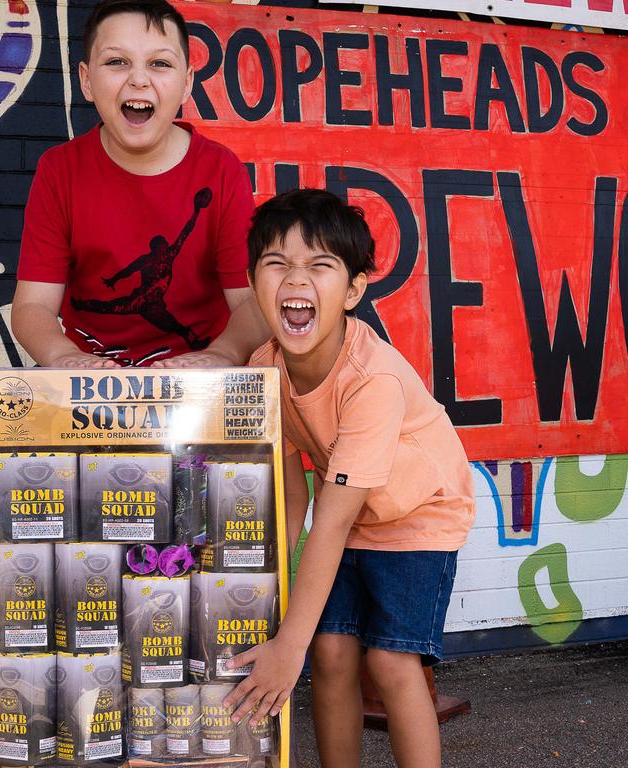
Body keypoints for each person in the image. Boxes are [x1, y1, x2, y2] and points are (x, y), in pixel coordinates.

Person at [225, 189, 475, 768]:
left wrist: (286, 646)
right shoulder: (263, 368)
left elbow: (328, 522)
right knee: (330, 652)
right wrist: (262, 594)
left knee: (389, 662)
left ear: (354, 290)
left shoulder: (372, 380)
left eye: (320, 265)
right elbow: (291, 498)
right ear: (253, 282)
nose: (296, 279)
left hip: (420, 516)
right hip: (353, 515)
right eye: (277, 263)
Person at [11, 0, 267, 368]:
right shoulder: (59, 171)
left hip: (197, 376)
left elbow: (249, 304)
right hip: (90, 377)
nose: (139, 79)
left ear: (186, 84)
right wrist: (64, 357)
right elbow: (32, 305)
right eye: (117, 62)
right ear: (86, 80)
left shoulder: (221, 170)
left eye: (159, 63)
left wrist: (221, 355)